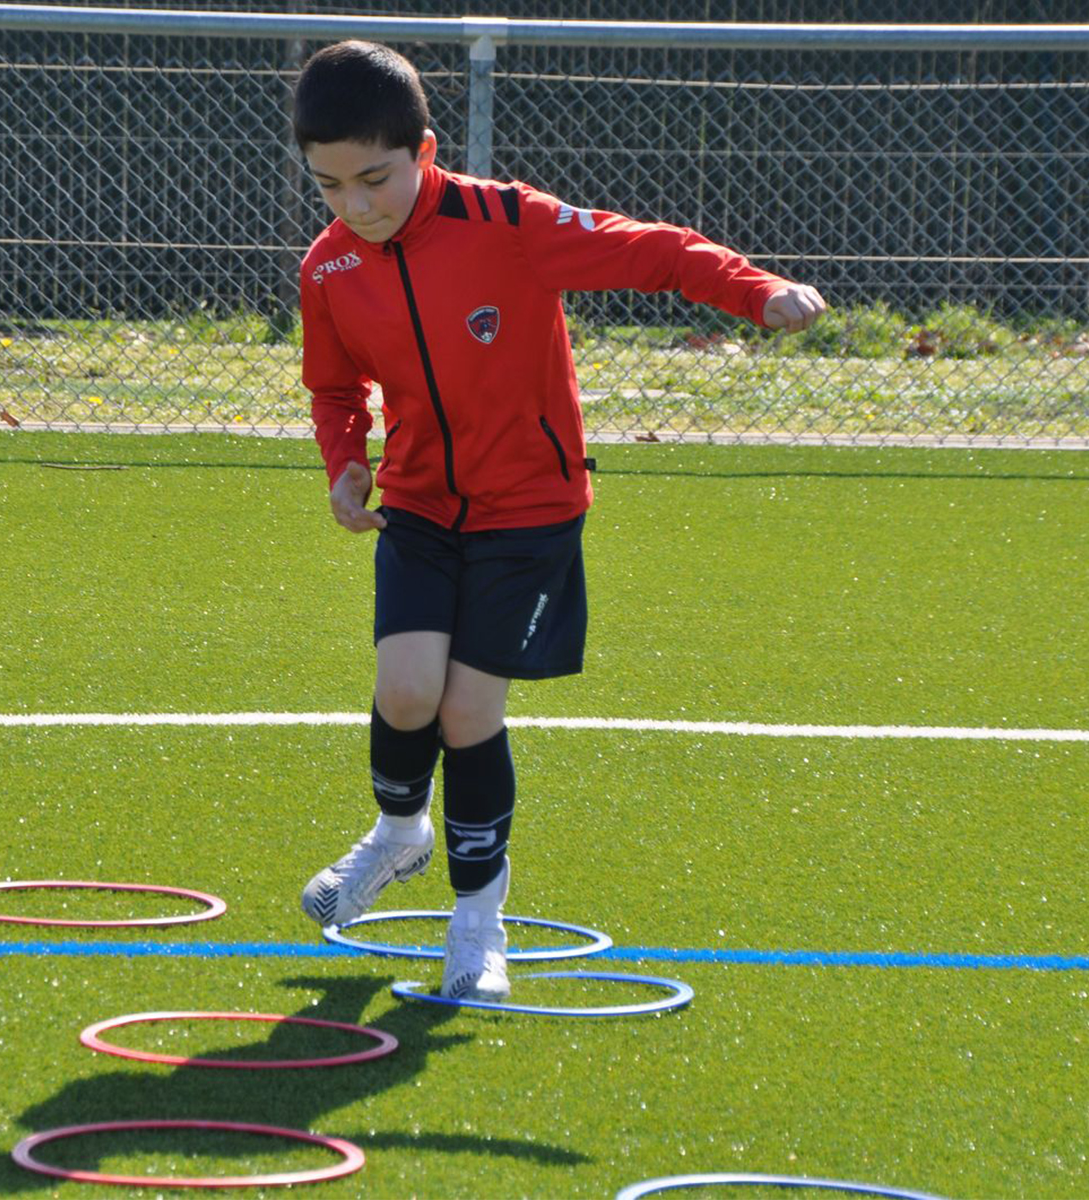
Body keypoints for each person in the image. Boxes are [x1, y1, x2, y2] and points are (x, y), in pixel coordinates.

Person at [291, 40, 825, 1000]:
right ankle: (398, 832)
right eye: (330, 187)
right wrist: (346, 464)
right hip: (418, 504)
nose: (356, 206)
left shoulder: (510, 222)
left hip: (529, 512)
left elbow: (654, 249)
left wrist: (756, 291)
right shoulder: (329, 268)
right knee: (406, 692)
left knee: (466, 712)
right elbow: (335, 385)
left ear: (425, 148)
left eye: (375, 178)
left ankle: (477, 928)